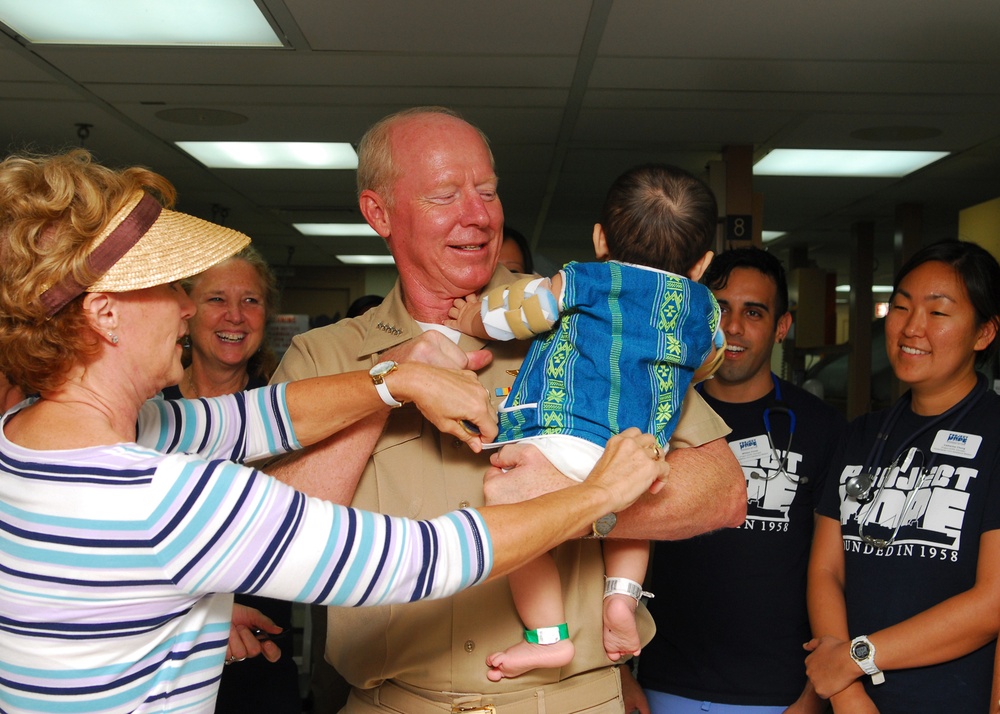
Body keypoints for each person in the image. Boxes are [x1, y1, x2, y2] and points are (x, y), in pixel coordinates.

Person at [0, 149, 671, 714]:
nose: (185, 305)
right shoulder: (166, 499)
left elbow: (254, 418)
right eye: (167, 288)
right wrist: (597, 492)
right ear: (106, 315)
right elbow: (422, 558)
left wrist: (394, 380)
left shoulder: (21, 436)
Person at [266, 106, 746, 713]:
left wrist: (580, 502)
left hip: (570, 700)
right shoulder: (326, 357)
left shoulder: (588, 317)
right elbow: (279, 535)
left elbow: (724, 492)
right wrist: (386, 388)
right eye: (445, 195)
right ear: (379, 213)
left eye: (487, 192)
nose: (478, 215)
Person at [447, 163, 724, 681]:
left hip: (562, 434)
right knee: (631, 510)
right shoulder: (704, 309)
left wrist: (471, 318)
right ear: (703, 263)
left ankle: (548, 637)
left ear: (600, 239)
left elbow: (522, 314)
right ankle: (620, 599)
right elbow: (708, 360)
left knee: (512, 519)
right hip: (636, 452)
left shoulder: (583, 279)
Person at [622, 247, 846, 714]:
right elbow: (612, 543)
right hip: (666, 683)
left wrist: (814, 695)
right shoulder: (657, 414)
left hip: (778, 695)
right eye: (721, 308)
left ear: (781, 327)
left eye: (754, 312)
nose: (733, 327)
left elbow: (834, 570)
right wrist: (621, 675)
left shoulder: (822, 428)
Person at [805, 239, 1000, 714]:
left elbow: (993, 601)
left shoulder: (995, 435)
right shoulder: (861, 435)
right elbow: (826, 570)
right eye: (901, 306)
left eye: (939, 313)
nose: (912, 327)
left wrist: (855, 659)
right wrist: (847, 693)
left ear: (984, 333)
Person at [160, 247, 300, 714]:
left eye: (252, 301)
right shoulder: (143, 410)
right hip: (157, 654)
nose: (235, 316)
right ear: (186, 311)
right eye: (217, 299)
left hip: (261, 651)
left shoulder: (293, 414)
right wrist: (205, 617)